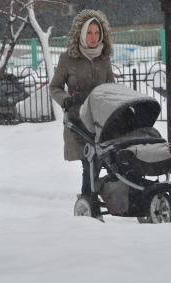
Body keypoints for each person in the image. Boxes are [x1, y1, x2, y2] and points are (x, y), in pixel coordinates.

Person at [50, 9, 115, 197]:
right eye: (89, 32)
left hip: (101, 119)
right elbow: (54, 87)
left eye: (97, 33)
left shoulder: (104, 59)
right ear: (81, 33)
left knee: (112, 158)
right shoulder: (68, 59)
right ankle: (88, 200)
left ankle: (116, 196)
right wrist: (67, 100)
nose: (93, 38)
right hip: (78, 120)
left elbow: (111, 86)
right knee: (90, 160)